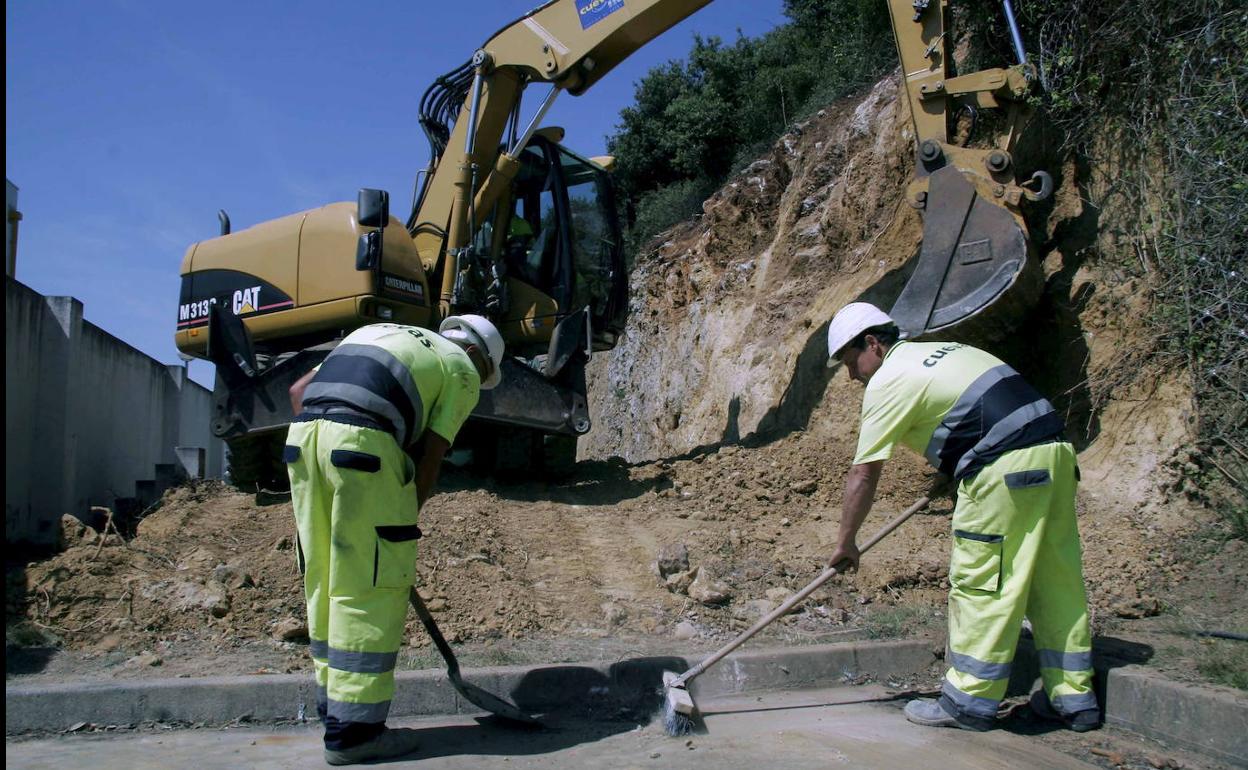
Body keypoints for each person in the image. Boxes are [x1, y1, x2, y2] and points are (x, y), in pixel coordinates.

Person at [824, 302, 1099, 733]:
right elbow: (982, 410)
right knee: (1055, 578)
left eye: (848, 361)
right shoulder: (946, 350)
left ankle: (968, 703)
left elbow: (864, 473)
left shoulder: (889, 380)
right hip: (1056, 455)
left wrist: (846, 541)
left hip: (1003, 470)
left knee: (982, 583)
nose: (851, 375)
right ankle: (1074, 699)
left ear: (873, 345)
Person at [284, 315, 504, 765]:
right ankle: (356, 736)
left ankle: (335, 712)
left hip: (303, 441)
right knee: (369, 587)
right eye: (484, 376)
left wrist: (327, 440)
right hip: (363, 445)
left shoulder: (380, 332)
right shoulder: (461, 370)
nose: (477, 387)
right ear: (477, 355)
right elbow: (431, 457)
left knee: (325, 578)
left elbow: (297, 392)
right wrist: (399, 530)